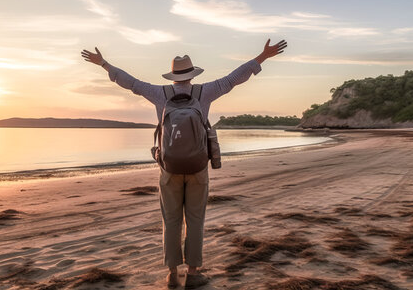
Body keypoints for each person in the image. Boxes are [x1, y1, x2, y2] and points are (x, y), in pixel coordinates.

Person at [81, 39, 287, 288]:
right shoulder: (205, 92)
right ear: (192, 74)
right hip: (198, 165)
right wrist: (262, 57)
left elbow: (131, 83)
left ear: (173, 76)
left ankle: (171, 272)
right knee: (196, 218)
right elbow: (235, 78)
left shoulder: (160, 94)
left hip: (169, 167)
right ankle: (193, 272)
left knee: (171, 219)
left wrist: (103, 63)